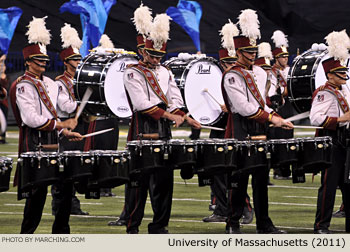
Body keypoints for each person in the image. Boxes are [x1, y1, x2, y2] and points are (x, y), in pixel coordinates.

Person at [123, 13, 201, 234]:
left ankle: (159, 226)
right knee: (138, 187)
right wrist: (170, 116)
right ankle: (132, 227)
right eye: (153, 55)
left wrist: (186, 117)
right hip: (141, 137)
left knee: (165, 185)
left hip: (164, 136)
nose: (157, 60)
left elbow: (175, 99)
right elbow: (142, 103)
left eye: (160, 55)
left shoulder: (166, 71)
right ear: (144, 51)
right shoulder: (132, 72)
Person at [222, 9, 293, 234]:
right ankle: (232, 223)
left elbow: (261, 103)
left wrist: (276, 115)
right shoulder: (232, 75)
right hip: (240, 132)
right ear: (239, 52)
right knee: (239, 181)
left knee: (261, 183)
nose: (252, 55)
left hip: (260, 132)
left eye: (254, 50)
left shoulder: (261, 74)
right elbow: (244, 108)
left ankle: (264, 223)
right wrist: (273, 118)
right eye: (248, 51)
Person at [10, 17, 82, 234]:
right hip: (35, 148)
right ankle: (25, 239)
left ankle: (61, 236)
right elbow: (31, 119)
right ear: (28, 61)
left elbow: (54, 113)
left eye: (43, 59)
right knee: (36, 199)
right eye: (37, 60)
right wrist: (60, 125)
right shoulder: (24, 86)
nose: (42, 63)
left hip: (56, 146)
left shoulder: (49, 83)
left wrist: (66, 131)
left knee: (65, 194)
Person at [203, 20, 253, 225]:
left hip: (234, 127)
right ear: (222, 63)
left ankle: (246, 208)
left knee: (235, 172)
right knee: (215, 170)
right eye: (227, 63)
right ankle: (221, 209)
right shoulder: (218, 75)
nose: (231, 66)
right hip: (217, 127)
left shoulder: (241, 74)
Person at [108, 3, 151, 227]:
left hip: (155, 126)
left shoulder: (158, 71)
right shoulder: (132, 70)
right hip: (138, 126)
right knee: (134, 175)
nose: (147, 55)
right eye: (144, 51)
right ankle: (129, 215)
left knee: (154, 177)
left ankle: (153, 220)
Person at [309, 30, 350, 234]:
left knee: (348, 184)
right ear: (330, 75)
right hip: (332, 142)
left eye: (345, 73)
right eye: (340, 74)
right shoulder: (324, 93)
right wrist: (340, 120)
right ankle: (321, 226)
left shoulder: (344, 90)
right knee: (329, 185)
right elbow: (315, 118)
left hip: (346, 142)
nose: (344, 76)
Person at [51, 23, 89, 217]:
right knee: (64, 167)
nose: (78, 62)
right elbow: (66, 106)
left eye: (79, 58)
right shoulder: (59, 83)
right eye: (75, 59)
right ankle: (59, 204)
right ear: (67, 62)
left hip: (79, 124)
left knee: (75, 167)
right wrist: (86, 102)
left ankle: (71, 203)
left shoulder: (80, 82)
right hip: (66, 126)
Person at [270, 30, 294, 180]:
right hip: (277, 107)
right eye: (282, 57)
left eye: (286, 56)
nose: (285, 59)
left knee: (288, 137)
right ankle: (277, 169)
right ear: (276, 58)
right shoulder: (271, 72)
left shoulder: (290, 71)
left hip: (289, 107)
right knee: (278, 138)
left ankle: (286, 168)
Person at [0, 50, 9, 143]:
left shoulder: (5, 76)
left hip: (3, 102)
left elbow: (5, 87)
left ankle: (2, 137)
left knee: (4, 118)